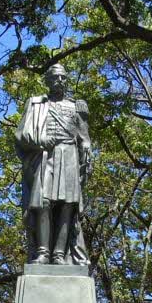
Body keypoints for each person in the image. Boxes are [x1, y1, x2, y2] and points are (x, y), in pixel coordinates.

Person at [15, 63, 92, 266]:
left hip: (69, 156)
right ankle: (43, 252)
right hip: (46, 156)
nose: (60, 81)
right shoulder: (37, 105)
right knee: (43, 203)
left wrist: (86, 149)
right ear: (48, 81)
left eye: (63, 78)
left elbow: (84, 138)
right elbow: (21, 135)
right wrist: (40, 141)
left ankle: (59, 254)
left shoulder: (76, 106)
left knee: (67, 206)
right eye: (56, 77)